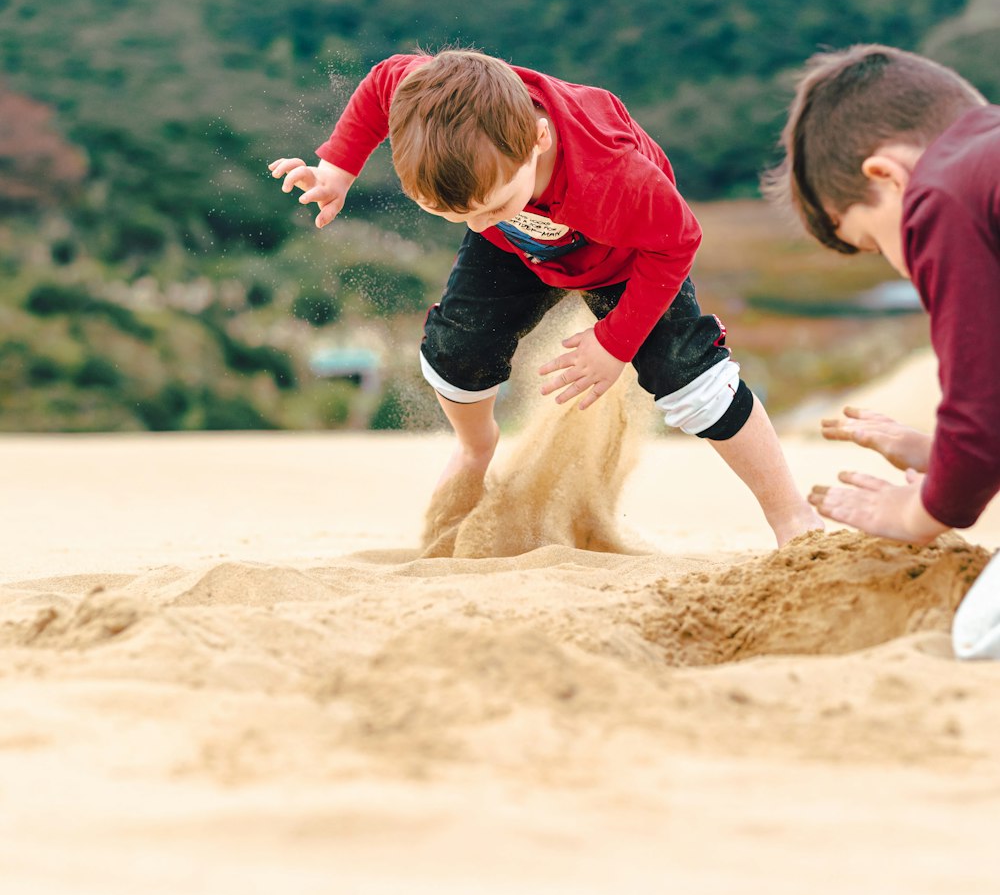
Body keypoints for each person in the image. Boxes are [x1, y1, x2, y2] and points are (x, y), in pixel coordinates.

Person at [271, 49, 819, 546]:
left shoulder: (612, 176)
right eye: (453, 215)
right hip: (518, 249)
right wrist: (338, 170)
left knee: (689, 376)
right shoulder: (429, 101)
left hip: (627, 259)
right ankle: (475, 446)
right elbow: (380, 82)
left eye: (491, 203)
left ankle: (792, 517)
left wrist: (614, 343)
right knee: (456, 352)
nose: (477, 222)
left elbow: (679, 241)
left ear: (538, 139)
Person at [766, 41, 1000, 658]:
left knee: (980, 637)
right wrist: (946, 456)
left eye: (872, 241)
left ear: (886, 177)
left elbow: (980, 413)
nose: (902, 267)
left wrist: (917, 514)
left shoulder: (942, 192)